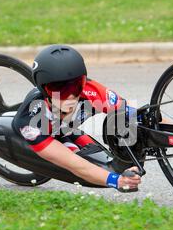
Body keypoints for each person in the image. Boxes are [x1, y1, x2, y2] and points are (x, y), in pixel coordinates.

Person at [13, 44, 141, 192]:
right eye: (60, 90)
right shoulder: (31, 124)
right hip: (46, 134)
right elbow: (75, 165)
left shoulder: (90, 91)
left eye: (76, 86)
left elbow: (132, 113)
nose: (71, 96)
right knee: (79, 158)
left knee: (131, 117)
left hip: (66, 129)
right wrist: (117, 181)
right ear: (44, 90)